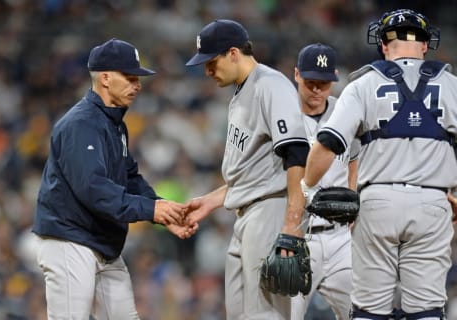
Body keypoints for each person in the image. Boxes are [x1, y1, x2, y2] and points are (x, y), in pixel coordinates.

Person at [301, 9, 457, 319]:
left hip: (377, 204)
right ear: (425, 45)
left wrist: (306, 190)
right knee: (427, 309)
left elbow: (327, 143)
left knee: (369, 310)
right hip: (433, 203)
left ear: (384, 45)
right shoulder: (452, 85)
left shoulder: (363, 83)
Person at [32, 38, 197, 319]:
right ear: (105, 78)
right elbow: (93, 189)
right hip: (70, 240)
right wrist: (151, 209)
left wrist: (162, 211)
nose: (138, 85)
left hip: (101, 242)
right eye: (130, 77)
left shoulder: (112, 124)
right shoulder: (81, 124)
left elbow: (129, 176)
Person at [184, 19, 310, 319]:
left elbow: (296, 152)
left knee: (266, 313)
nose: (207, 71)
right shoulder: (244, 90)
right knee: (242, 314)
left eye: (211, 62)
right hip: (247, 214)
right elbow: (255, 169)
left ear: (232, 53)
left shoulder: (270, 84)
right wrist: (212, 201)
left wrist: (292, 224)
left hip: (269, 212)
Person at [291, 43, 358, 320]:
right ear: (296, 75)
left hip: (340, 236)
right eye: (310, 82)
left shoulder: (346, 111)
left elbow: (354, 158)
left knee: (364, 313)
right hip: (298, 236)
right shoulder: (282, 116)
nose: (317, 89)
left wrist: (353, 197)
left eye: (324, 82)